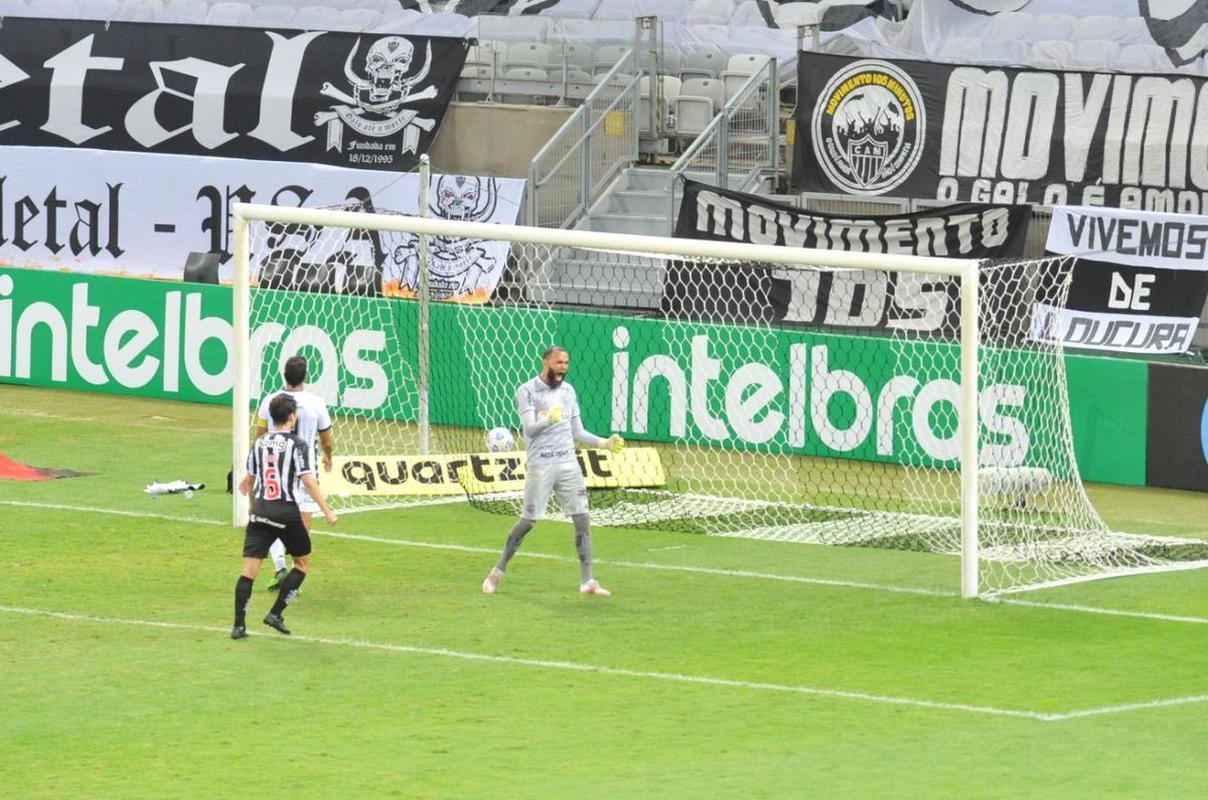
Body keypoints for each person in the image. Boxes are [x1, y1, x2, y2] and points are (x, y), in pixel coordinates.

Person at [482, 345, 623, 597]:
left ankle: (587, 580)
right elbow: (529, 430)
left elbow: (577, 432)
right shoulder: (527, 391)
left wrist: (604, 443)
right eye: (559, 363)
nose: (563, 368)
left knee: (582, 519)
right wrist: (549, 419)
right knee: (528, 522)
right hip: (541, 464)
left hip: (568, 463)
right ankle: (497, 571)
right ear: (546, 362)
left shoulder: (568, 391)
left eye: (566, 363)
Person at [232, 393, 338, 639]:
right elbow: (308, 481)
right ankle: (275, 613)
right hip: (287, 512)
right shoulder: (297, 445)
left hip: (261, 510)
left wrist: (251, 506)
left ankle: (238, 625)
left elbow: (250, 479)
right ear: (292, 417)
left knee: (249, 571)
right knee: (302, 563)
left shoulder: (258, 444)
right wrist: (327, 510)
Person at [255, 355, 335, 592]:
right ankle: (294, 576)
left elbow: (259, 435)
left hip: (277, 468)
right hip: (305, 471)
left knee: (270, 518)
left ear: (284, 375)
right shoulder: (316, 403)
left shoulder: (270, 401)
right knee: (301, 525)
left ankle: (279, 566)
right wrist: (328, 455)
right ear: (306, 376)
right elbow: (327, 439)